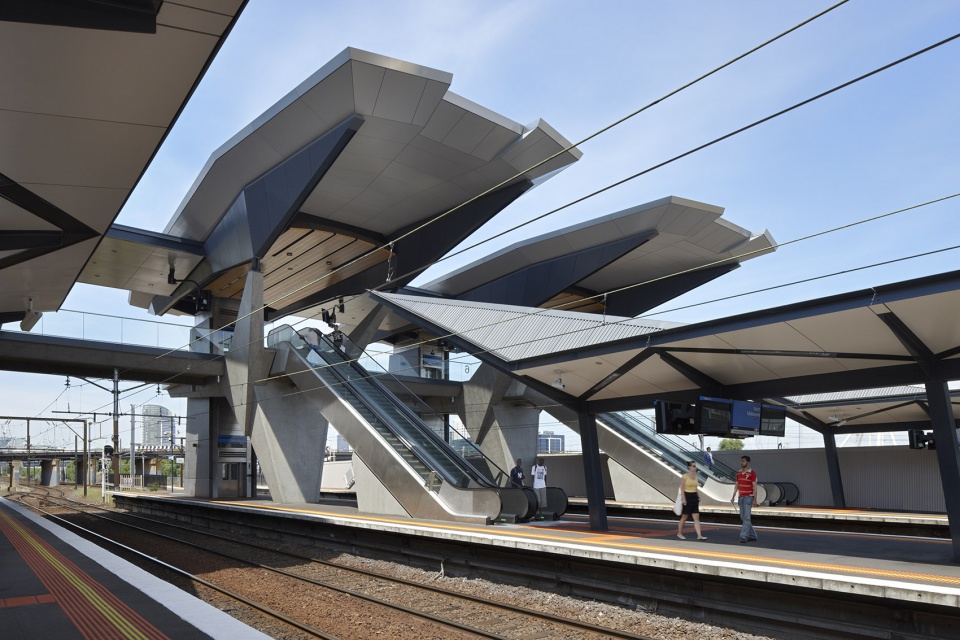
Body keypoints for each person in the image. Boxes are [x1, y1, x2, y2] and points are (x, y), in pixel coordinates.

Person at [731, 455, 759, 543]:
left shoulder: (752, 473)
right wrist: (733, 496)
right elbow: (737, 485)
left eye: (743, 461)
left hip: (748, 497)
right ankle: (753, 535)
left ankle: (743, 536)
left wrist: (755, 499)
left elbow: (755, 487)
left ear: (748, 462)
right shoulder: (738, 473)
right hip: (741, 497)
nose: (741, 462)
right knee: (743, 518)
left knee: (746, 518)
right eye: (741, 461)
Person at [677, 461, 707, 540]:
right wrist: (684, 498)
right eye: (693, 466)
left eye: (695, 466)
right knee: (684, 517)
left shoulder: (696, 477)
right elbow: (682, 488)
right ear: (689, 467)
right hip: (687, 496)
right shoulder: (684, 476)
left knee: (696, 516)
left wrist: (698, 496)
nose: (695, 467)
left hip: (694, 497)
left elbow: (695, 488)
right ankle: (679, 533)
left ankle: (699, 535)